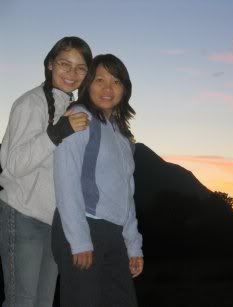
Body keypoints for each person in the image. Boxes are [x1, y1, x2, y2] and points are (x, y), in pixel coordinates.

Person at [0, 36, 92, 306]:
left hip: (53, 223)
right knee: (22, 301)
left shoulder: (73, 109)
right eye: (65, 64)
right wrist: (58, 132)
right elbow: (13, 164)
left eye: (80, 68)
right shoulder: (30, 103)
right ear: (51, 64)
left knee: (42, 302)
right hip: (22, 215)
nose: (72, 73)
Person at [51, 54, 144, 307]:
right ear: (88, 83)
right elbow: (65, 180)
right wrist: (79, 240)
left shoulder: (123, 135)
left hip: (113, 234)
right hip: (83, 227)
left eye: (115, 81)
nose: (107, 88)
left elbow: (126, 193)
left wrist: (133, 244)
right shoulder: (79, 116)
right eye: (99, 80)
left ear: (124, 88)